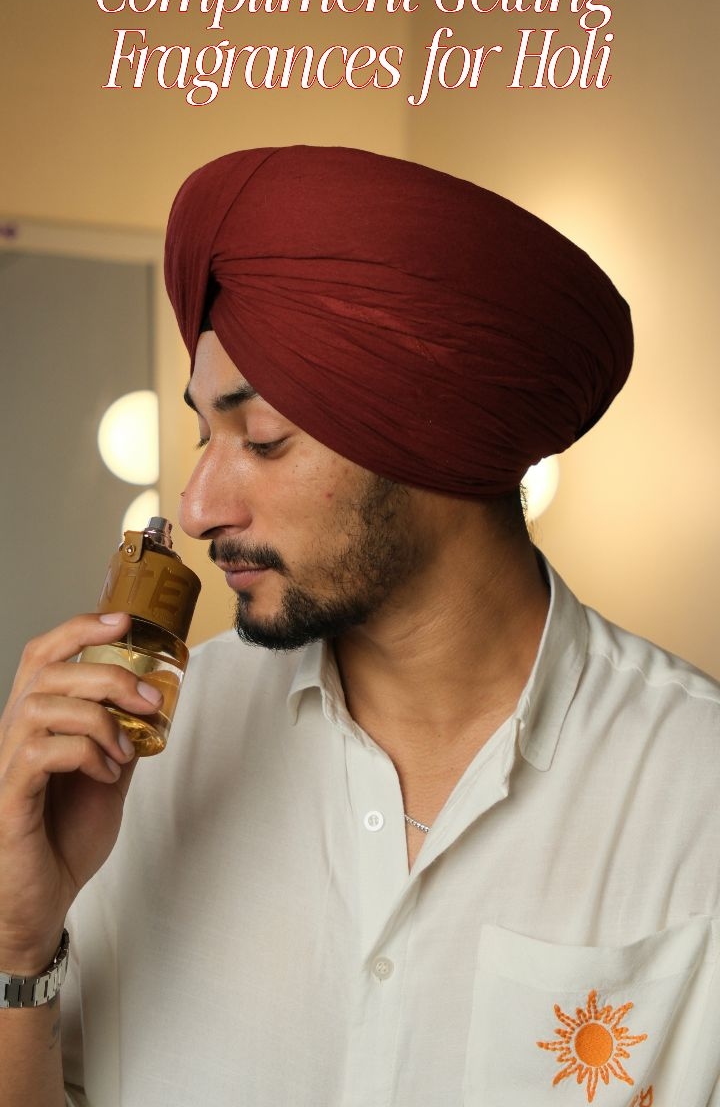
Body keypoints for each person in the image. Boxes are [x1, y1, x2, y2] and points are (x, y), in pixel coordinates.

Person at [1, 146, 718, 1107]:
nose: (198, 506)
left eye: (262, 440)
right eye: (205, 434)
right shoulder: (146, 751)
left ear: (432, 439)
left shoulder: (694, 792)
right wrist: (20, 948)